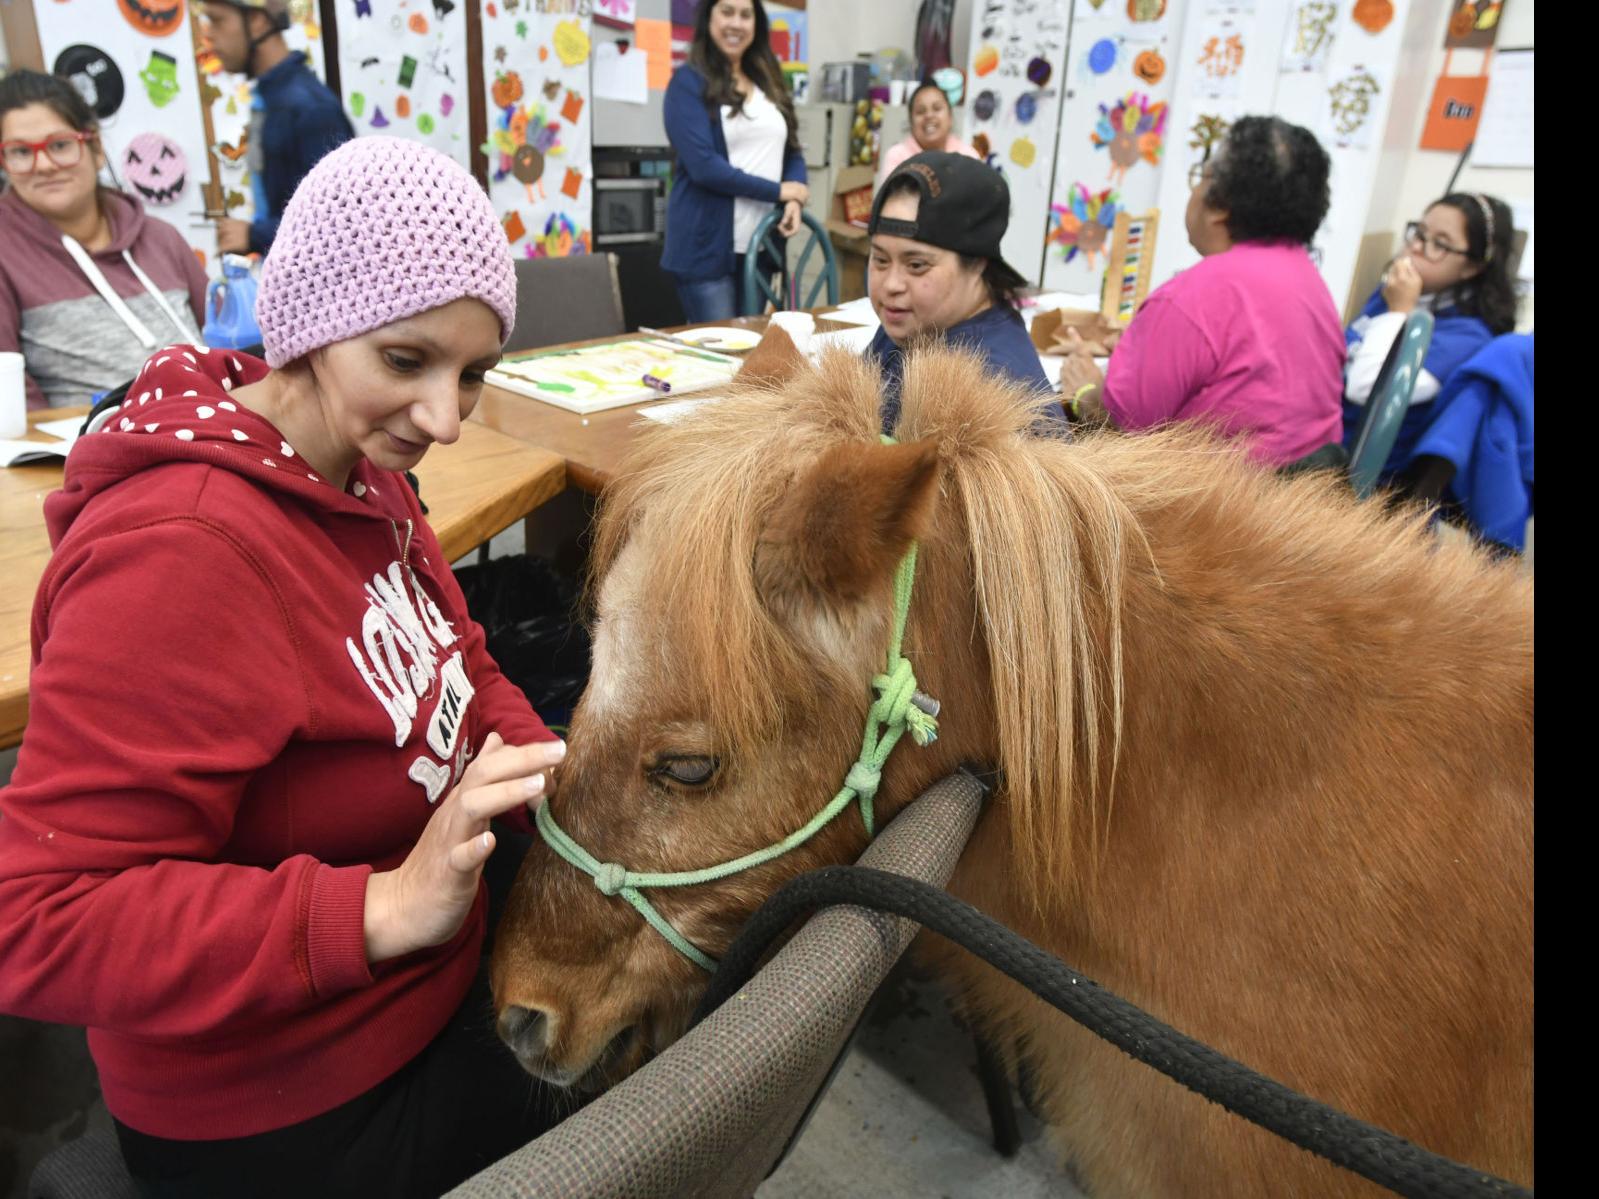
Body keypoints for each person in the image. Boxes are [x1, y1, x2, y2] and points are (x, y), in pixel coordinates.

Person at [0, 137, 568, 1199]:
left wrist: (559, 778)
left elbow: (456, 658)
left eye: (471, 374)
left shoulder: (355, 462)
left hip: (424, 969)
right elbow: (37, 919)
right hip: (300, 1096)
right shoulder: (186, 555)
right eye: (405, 360)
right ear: (307, 327)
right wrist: (381, 908)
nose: (444, 419)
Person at [1059, 116, 1347, 471]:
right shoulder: (1311, 283)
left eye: (1203, 175)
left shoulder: (1191, 297)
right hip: (1307, 496)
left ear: (1220, 207)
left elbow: (1120, 434)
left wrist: (1085, 390)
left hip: (1216, 500)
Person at [0, 69, 207, 410]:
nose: (44, 165)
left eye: (60, 145)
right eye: (21, 152)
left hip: (212, 428)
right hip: (90, 442)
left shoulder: (161, 238)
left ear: (95, 147)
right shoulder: (6, 253)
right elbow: (11, 403)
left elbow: (225, 345)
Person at [864, 150, 1064, 434]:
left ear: (977, 264)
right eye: (880, 260)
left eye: (917, 265)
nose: (891, 285)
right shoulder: (911, 323)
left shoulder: (993, 387)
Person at [1341, 192, 1517, 475]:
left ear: (1473, 267)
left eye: (1439, 244)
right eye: (1419, 233)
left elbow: (1365, 388)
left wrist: (1399, 310)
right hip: (1328, 432)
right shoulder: (1394, 292)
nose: (1416, 247)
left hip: (1362, 474)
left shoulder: (1467, 337)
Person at [663, 0, 809, 322]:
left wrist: (794, 197)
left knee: (752, 345)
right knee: (725, 348)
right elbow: (704, 167)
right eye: (727, 12)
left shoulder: (768, 79)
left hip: (762, 248)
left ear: (756, 23)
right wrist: (779, 191)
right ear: (709, 18)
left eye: (745, 15)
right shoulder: (687, 83)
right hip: (706, 250)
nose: (736, 23)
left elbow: (792, 150)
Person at [199, 0, 353, 257]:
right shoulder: (270, 98)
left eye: (217, 20)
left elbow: (338, 223)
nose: (209, 35)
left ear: (257, 22)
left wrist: (254, 235)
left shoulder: (310, 109)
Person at [874, 81, 981, 192]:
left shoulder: (968, 156)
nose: (929, 115)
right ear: (911, 122)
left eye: (937, 108)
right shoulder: (897, 156)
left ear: (950, 117)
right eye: (920, 111)